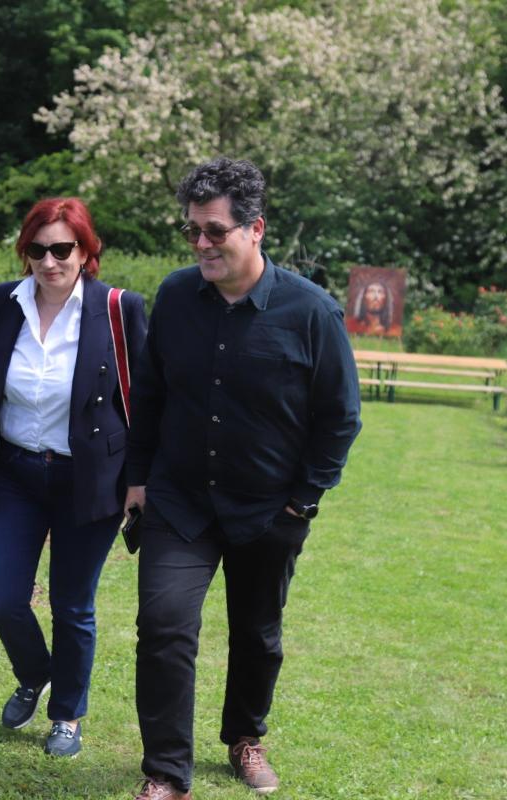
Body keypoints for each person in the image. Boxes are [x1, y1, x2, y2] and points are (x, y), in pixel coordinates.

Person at [124, 158, 361, 799]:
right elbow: (149, 393)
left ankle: (245, 738)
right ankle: (166, 774)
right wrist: (137, 478)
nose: (201, 243)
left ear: (255, 229)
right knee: (164, 626)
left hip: (268, 509)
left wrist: (302, 502)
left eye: (215, 231)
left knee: (257, 635)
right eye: (192, 231)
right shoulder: (176, 297)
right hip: (179, 502)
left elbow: (340, 417)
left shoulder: (311, 312)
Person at [0, 197, 147, 758]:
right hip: (15, 472)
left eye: (61, 249)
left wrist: (139, 479)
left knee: (71, 604)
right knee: (1, 598)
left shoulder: (118, 309)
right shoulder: (6, 301)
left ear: (85, 251)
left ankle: (67, 715)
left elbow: (145, 402)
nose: (49, 261)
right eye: (37, 249)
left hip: (89, 478)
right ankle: (36, 673)